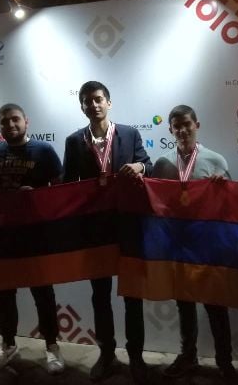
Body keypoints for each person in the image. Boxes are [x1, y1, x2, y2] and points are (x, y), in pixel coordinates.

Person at [63, 81, 152, 384]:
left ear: (109, 103)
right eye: (87, 101)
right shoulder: (74, 141)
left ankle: (136, 357)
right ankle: (106, 354)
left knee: (132, 295)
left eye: (98, 99)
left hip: (127, 227)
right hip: (95, 230)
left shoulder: (129, 133)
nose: (94, 105)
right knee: (99, 295)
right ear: (82, 107)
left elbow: (148, 165)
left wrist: (139, 167)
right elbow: (67, 185)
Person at [152, 104, 238, 382]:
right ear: (170, 130)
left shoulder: (216, 160)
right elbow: (156, 204)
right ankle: (187, 356)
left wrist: (222, 187)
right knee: (185, 305)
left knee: (216, 305)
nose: (182, 130)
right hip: (177, 245)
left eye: (187, 124)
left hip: (208, 245)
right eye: (176, 126)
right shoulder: (162, 163)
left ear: (196, 125)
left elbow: (230, 206)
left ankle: (225, 362)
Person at [0, 103, 65, 374]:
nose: (10, 125)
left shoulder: (44, 150)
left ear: (26, 121)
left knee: (43, 293)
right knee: (4, 293)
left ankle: (52, 346)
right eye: (4, 121)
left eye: (15, 119)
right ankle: (8, 344)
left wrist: (37, 194)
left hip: (36, 236)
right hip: (3, 236)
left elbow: (61, 189)